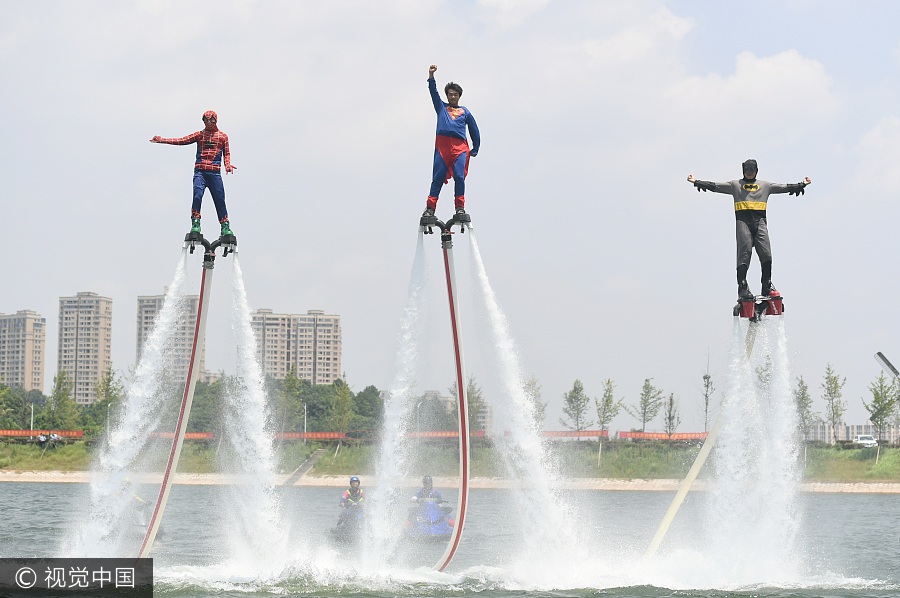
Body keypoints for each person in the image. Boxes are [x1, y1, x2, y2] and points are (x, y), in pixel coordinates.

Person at [687, 159, 811, 300]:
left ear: (756, 171)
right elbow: (716, 186)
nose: (749, 174)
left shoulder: (765, 185)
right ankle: (742, 286)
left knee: (766, 253)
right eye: (747, 172)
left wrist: (801, 185)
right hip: (743, 222)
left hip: (760, 223)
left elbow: (783, 187)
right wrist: (697, 182)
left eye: (752, 172)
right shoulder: (735, 185)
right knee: (744, 253)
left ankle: (767, 285)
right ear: (743, 171)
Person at [150, 110, 237, 237]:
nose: (208, 123)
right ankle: (195, 222)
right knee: (197, 196)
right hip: (200, 172)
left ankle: (225, 225)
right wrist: (162, 140)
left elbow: (227, 152)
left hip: (214, 173)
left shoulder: (223, 137)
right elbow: (182, 140)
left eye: (211, 120)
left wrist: (227, 164)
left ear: (215, 120)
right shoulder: (200, 135)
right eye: (205, 120)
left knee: (220, 199)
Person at [422, 64, 480, 218]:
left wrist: (476, 147)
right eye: (450, 94)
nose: (452, 97)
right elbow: (433, 92)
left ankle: (459, 207)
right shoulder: (441, 107)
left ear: (459, 96)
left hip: (459, 148)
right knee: (437, 178)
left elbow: (474, 129)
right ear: (447, 96)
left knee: (459, 177)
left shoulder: (465, 111)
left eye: (455, 94)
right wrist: (431, 76)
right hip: (443, 148)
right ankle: (430, 208)